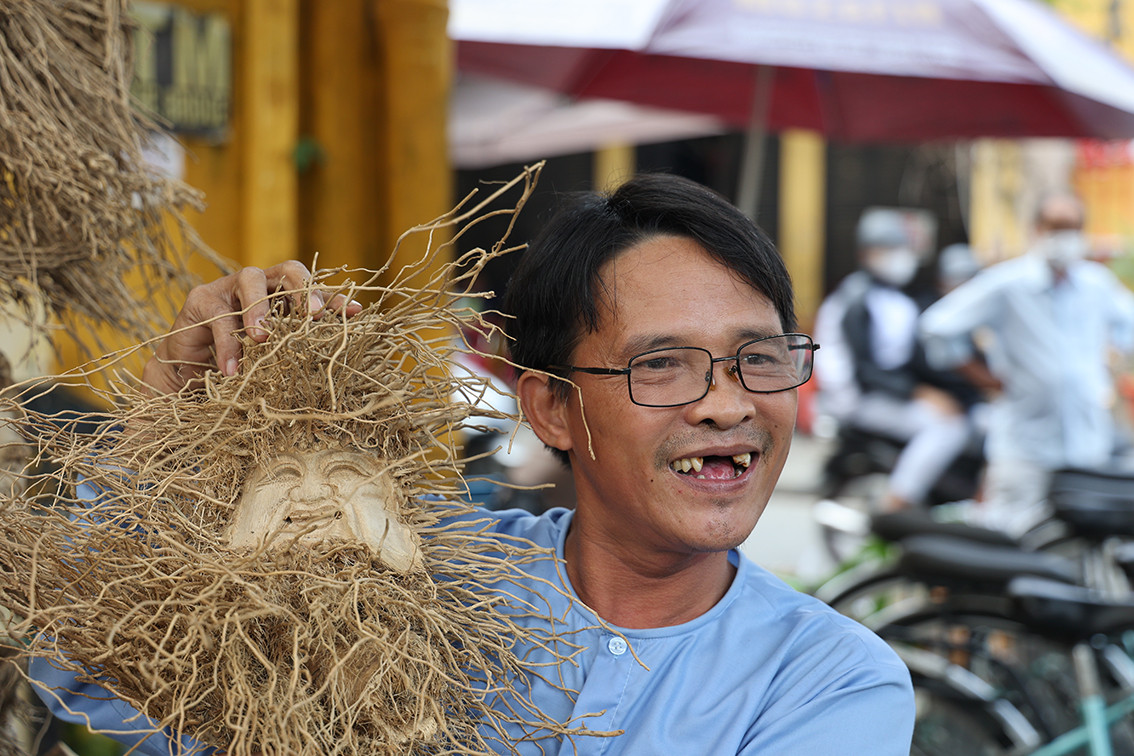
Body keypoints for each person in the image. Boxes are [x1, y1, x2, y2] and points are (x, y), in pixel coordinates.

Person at [32, 173, 914, 753]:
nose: (727, 403)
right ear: (551, 406)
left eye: (758, 357)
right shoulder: (416, 576)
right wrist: (168, 427)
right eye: (662, 364)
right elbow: (97, 680)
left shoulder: (830, 683)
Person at [920, 190, 1134, 535]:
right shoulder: (1009, 283)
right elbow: (937, 327)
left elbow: (1128, 325)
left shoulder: (1095, 284)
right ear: (1037, 229)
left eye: (1072, 226)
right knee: (1013, 543)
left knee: (1077, 546)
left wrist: (1111, 359)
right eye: (1056, 226)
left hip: (1086, 446)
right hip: (1025, 447)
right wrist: (985, 378)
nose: (1064, 236)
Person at [813, 208, 974, 510]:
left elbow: (915, 360)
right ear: (866, 253)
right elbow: (864, 370)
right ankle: (897, 501)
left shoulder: (898, 300)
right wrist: (921, 394)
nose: (901, 257)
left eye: (904, 248)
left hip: (891, 393)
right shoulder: (855, 298)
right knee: (948, 428)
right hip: (860, 398)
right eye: (890, 249)